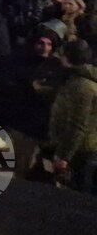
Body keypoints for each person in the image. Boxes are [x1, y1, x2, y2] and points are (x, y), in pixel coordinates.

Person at [48, 39, 97, 194]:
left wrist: (63, 156)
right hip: (82, 148)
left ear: (68, 58)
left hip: (81, 151)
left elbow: (77, 124)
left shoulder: (82, 86)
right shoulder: (78, 80)